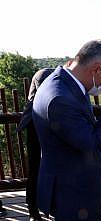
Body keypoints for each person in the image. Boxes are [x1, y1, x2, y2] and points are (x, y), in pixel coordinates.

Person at [32, 40, 101, 220]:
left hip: (68, 185)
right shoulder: (60, 99)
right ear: (96, 69)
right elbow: (94, 148)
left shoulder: (64, 81)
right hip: (71, 195)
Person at [17, 68, 55, 220]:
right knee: (35, 169)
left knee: (39, 169)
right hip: (36, 124)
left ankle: (40, 209)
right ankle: (33, 209)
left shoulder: (46, 74)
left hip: (46, 124)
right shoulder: (45, 75)